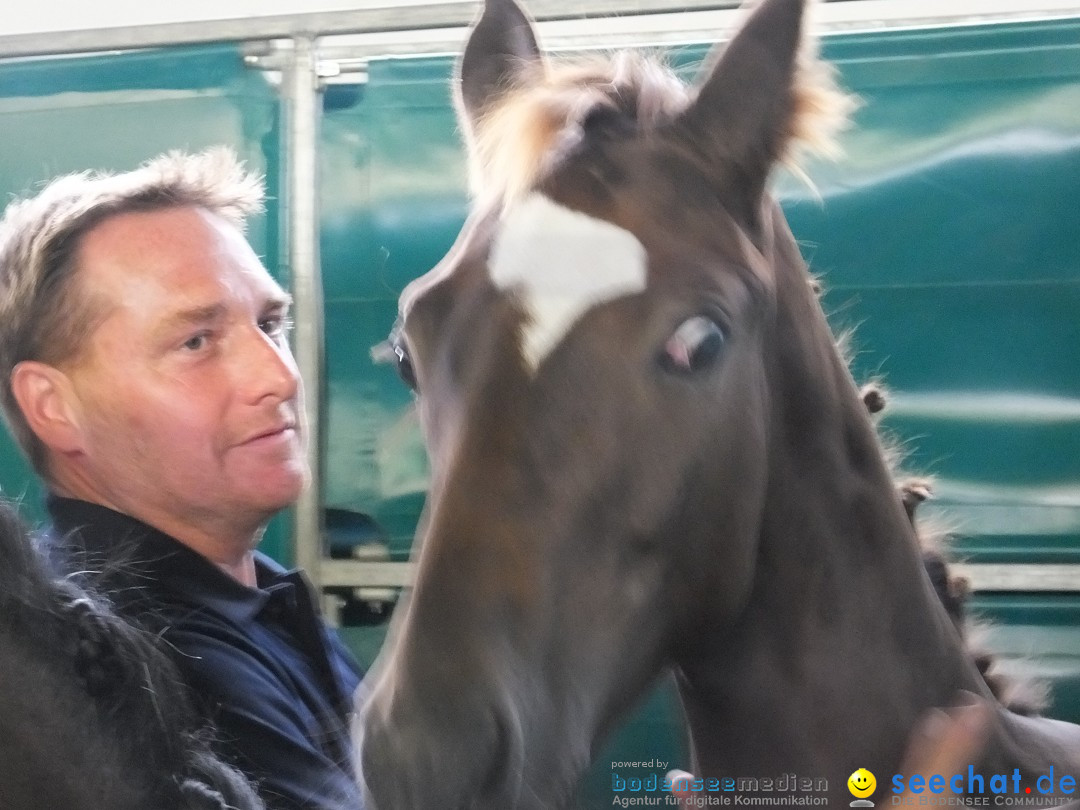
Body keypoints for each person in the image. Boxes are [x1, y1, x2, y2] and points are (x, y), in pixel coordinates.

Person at [0, 149, 364, 810]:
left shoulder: (253, 593)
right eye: (196, 342)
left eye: (270, 325)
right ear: (54, 408)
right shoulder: (139, 673)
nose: (279, 377)